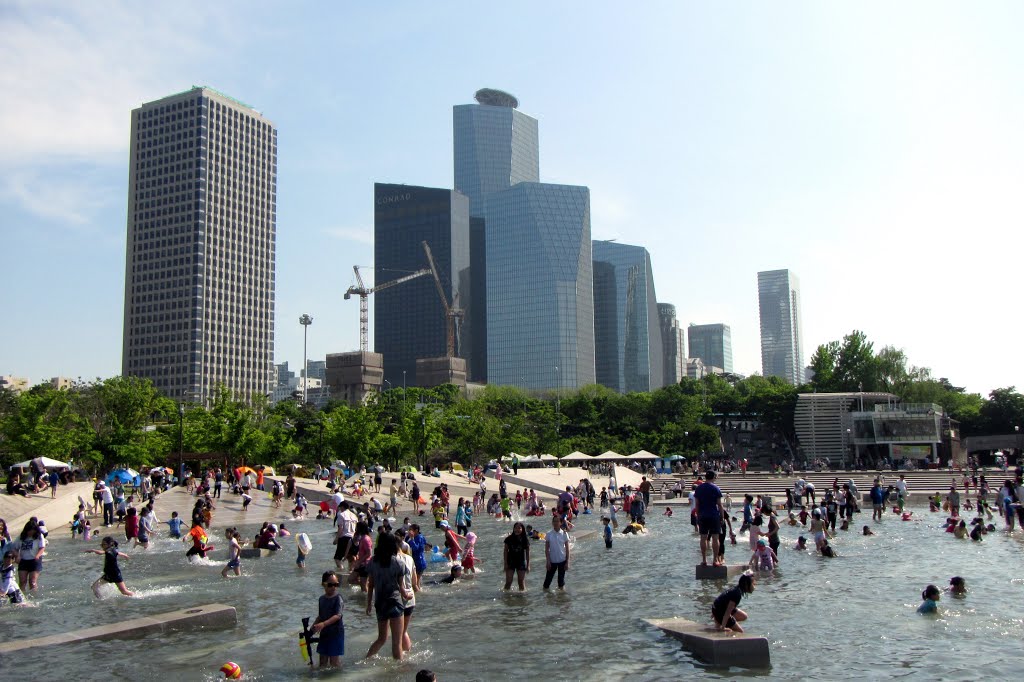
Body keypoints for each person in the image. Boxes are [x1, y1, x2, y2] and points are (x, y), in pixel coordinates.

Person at [365, 532, 413, 661]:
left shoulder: (373, 562)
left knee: (382, 638)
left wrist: (369, 603)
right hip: (395, 603)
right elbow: (401, 588)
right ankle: (398, 669)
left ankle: (366, 659)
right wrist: (408, 596)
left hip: (380, 603)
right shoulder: (398, 562)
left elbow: (370, 585)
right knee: (396, 642)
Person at [311, 570, 345, 668]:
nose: (333, 587)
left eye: (336, 584)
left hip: (336, 633)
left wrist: (323, 624)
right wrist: (312, 629)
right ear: (323, 584)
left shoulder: (338, 598)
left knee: (334, 662)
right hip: (325, 633)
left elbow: (338, 615)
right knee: (322, 661)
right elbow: (320, 616)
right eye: (330, 585)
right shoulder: (321, 599)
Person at [693, 470, 726, 567]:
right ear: (714, 477)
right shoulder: (716, 488)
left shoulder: (699, 488)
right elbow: (719, 504)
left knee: (703, 538)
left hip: (702, 515)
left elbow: (697, 504)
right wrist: (722, 517)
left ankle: (704, 560)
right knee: (715, 538)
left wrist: (698, 516)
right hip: (713, 515)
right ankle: (715, 560)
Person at [543, 514, 570, 590]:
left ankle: (561, 599)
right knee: (546, 583)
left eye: (557, 521)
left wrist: (567, 562)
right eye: (554, 521)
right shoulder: (549, 534)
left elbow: (567, 549)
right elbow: (547, 549)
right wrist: (547, 561)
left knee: (561, 583)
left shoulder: (564, 534)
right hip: (552, 561)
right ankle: (547, 599)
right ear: (552, 523)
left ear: (560, 523)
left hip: (562, 560)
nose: (555, 523)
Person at [17, 519, 46, 592]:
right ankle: (21, 598)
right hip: (23, 561)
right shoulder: (21, 537)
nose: (30, 532)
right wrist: (17, 556)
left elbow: (42, 547)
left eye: (32, 530)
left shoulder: (39, 536)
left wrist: (37, 555)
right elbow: (14, 548)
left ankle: (33, 598)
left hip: (35, 560)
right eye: (29, 530)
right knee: (22, 582)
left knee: (32, 582)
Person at [503, 521, 530, 590]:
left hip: (521, 562)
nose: (517, 530)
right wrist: (505, 563)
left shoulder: (525, 539)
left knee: (521, 582)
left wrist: (528, 565)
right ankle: (506, 597)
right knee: (509, 581)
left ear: (522, 529)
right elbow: (505, 551)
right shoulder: (509, 539)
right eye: (515, 528)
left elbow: (527, 552)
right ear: (513, 529)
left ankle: (522, 599)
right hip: (510, 561)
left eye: (519, 528)